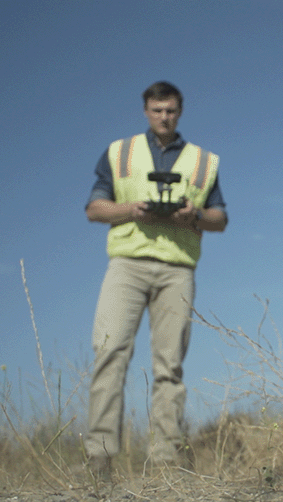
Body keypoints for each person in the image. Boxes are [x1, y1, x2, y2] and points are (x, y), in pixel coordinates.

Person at [84, 81, 227, 477]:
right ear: (146, 111)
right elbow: (94, 208)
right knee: (109, 352)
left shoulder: (202, 160)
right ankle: (99, 458)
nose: (164, 117)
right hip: (127, 264)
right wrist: (133, 209)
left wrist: (192, 216)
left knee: (170, 364)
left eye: (171, 111)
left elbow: (221, 218)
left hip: (177, 268)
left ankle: (166, 460)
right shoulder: (119, 152)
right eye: (157, 110)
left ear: (180, 112)